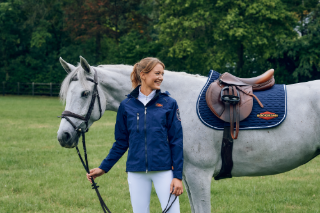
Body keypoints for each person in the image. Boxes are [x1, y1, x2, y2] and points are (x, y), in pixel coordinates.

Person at [86, 57, 183, 213]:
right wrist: (103, 168)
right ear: (143, 75)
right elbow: (121, 142)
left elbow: (176, 141)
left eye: (162, 74)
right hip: (136, 171)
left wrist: (177, 176)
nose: (161, 77)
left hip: (164, 170)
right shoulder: (126, 105)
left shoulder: (169, 103)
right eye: (157, 73)